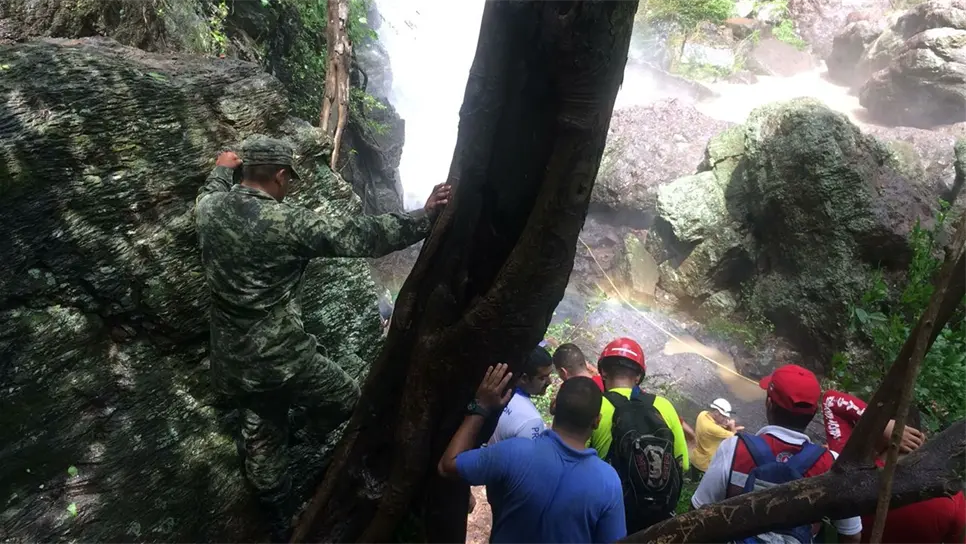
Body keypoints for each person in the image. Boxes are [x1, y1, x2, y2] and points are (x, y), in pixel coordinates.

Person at [194, 137, 451, 542]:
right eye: (288, 180)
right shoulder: (287, 223)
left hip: (233, 360)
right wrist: (425, 216)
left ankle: (278, 520)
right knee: (345, 399)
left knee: (260, 434)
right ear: (279, 176)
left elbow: (211, 189)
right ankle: (302, 433)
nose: (289, 187)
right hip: (282, 356)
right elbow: (362, 236)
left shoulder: (209, 211)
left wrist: (222, 168)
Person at [438, 365, 626, 543]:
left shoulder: (514, 452)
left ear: (553, 407)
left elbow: (447, 466)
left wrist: (480, 407)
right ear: (596, 421)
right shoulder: (608, 482)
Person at [691, 365, 862, 544]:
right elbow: (851, 534)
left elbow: (696, 512)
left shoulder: (734, 448)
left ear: (769, 404)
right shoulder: (831, 463)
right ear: (814, 412)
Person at [822, 389, 966, 544]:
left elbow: (831, 400)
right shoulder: (949, 495)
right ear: (921, 436)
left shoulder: (849, 470)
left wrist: (879, 425)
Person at [591, 337, 689, 532]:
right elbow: (683, 464)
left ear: (603, 371)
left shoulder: (595, 406)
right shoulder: (664, 406)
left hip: (608, 514)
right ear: (638, 377)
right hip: (656, 518)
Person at [489, 345, 554, 443]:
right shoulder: (531, 420)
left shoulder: (492, 392)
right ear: (524, 378)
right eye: (542, 378)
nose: (549, 382)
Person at [690, 398, 743, 478]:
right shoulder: (713, 429)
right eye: (724, 416)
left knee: (692, 482)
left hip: (696, 459)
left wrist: (722, 424)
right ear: (716, 412)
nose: (726, 419)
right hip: (705, 465)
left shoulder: (703, 414)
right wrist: (732, 427)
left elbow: (715, 426)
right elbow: (732, 437)